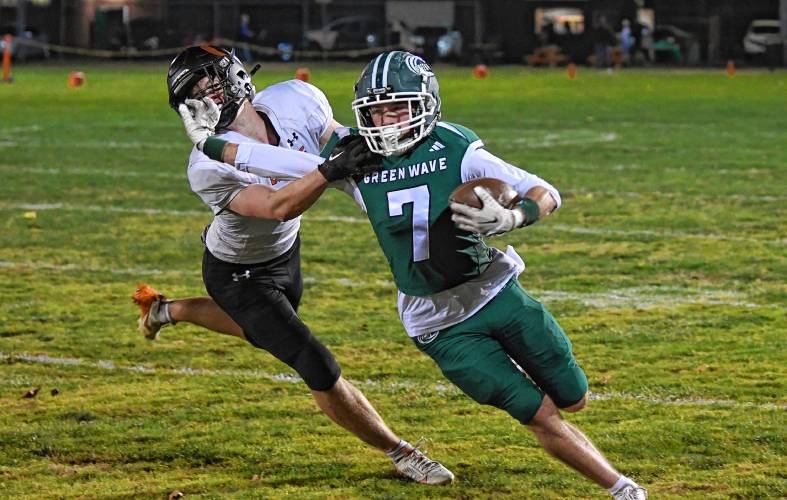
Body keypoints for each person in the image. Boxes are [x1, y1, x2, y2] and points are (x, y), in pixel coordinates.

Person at [174, 50, 649, 499]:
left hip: (496, 289)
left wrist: (515, 217)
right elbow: (276, 171)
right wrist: (206, 142)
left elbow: (543, 190)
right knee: (536, 411)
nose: (387, 121)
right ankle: (621, 487)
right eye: (377, 112)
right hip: (434, 321)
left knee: (574, 398)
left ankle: (171, 310)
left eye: (398, 109)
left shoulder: (454, 145)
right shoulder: (356, 166)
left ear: (426, 105)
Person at [142, 44, 455, 486]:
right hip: (237, 274)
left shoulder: (294, 98)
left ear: (233, 72)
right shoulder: (207, 163)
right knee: (313, 361)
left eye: (209, 78)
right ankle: (401, 452)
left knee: (263, 331)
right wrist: (330, 170)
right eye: (192, 90)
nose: (206, 93)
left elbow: (336, 140)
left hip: (285, 256)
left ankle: (166, 310)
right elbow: (277, 206)